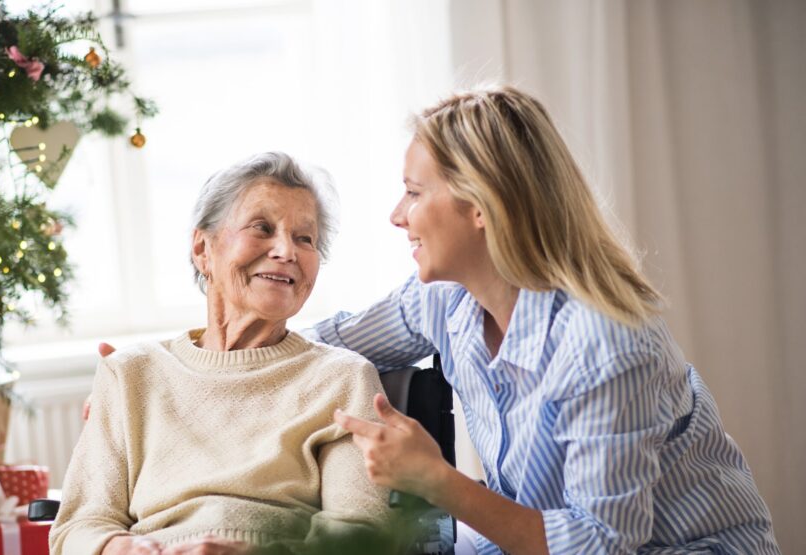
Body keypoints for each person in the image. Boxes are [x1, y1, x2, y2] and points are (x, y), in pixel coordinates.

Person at [318, 86, 781, 554]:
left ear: (480, 205)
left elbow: (601, 544)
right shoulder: (443, 297)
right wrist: (244, 315)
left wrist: (438, 482)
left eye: (414, 193)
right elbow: (327, 343)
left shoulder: (606, 342)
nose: (397, 216)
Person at [51, 152, 398, 555]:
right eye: (262, 228)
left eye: (305, 238)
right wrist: (136, 551)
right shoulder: (130, 374)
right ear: (203, 249)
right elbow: (78, 526)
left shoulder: (343, 379)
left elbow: (360, 535)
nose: (286, 250)